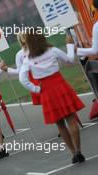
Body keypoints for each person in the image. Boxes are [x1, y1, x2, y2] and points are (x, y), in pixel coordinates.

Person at [18, 30, 85, 163]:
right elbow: (70, 60)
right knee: (71, 119)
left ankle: (73, 153)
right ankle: (78, 151)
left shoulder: (28, 59)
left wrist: (36, 89)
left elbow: (22, 79)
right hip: (60, 85)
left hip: (46, 91)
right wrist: (70, 46)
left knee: (60, 124)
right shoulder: (53, 50)